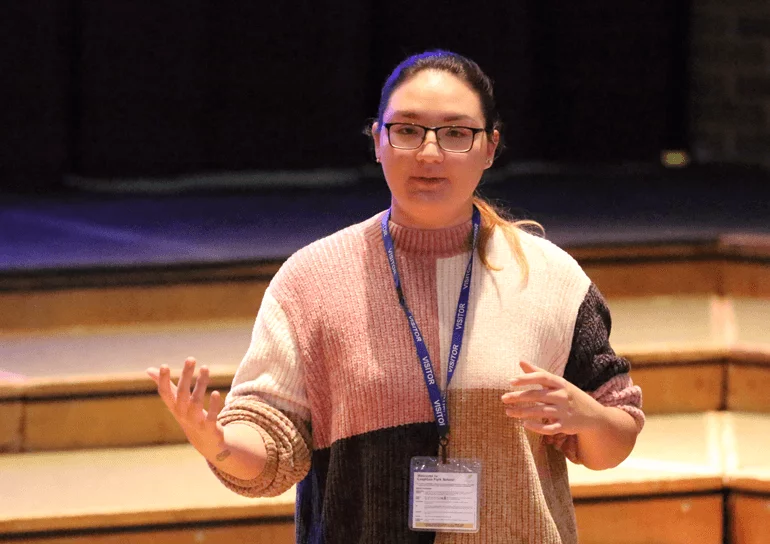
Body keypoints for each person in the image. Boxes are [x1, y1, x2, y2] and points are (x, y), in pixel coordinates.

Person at [147, 50, 644, 543]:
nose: (429, 153)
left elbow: (613, 440)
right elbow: (271, 444)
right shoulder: (311, 280)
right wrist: (217, 444)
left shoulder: (551, 277)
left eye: (456, 133)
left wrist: (590, 417)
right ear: (378, 142)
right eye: (407, 130)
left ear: (490, 147)